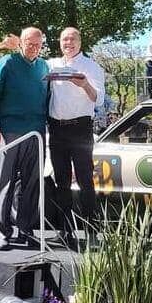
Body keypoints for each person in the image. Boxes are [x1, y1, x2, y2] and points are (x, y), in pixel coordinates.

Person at [0, 27, 49, 250]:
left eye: (38, 44)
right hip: (10, 130)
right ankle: (2, 232)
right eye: (29, 43)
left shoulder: (44, 66)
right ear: (20, 43)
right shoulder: (8, 62)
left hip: (37, 133)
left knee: (32, 184)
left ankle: (25, 230)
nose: (33, 48)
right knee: (6, 183)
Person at [47, 27, 105, 242]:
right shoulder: (51, 64)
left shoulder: (91, 66)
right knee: (60, 181)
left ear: (80, 42)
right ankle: (65, 230)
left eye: (72, 39)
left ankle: (92, 232)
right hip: (56, 129)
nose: (68, 43)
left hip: (81, 129)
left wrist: (85, 84)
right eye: (64, 39)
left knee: (85, 181)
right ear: (59, 43)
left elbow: (98, 100)